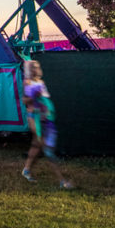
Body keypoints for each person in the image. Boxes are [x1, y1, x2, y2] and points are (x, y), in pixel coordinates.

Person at [22, 60, 74, 189]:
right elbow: (25, 101)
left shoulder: (41, 82)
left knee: (36, 145)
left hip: (44, 117)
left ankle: (26, 170)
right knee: (45, 148)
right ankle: (62, 180)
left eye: (36, 66)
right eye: (32, 67)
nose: (35, 69)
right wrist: (33, 96)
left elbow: (45, 100)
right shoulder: (27, 82)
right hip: (33, 117)